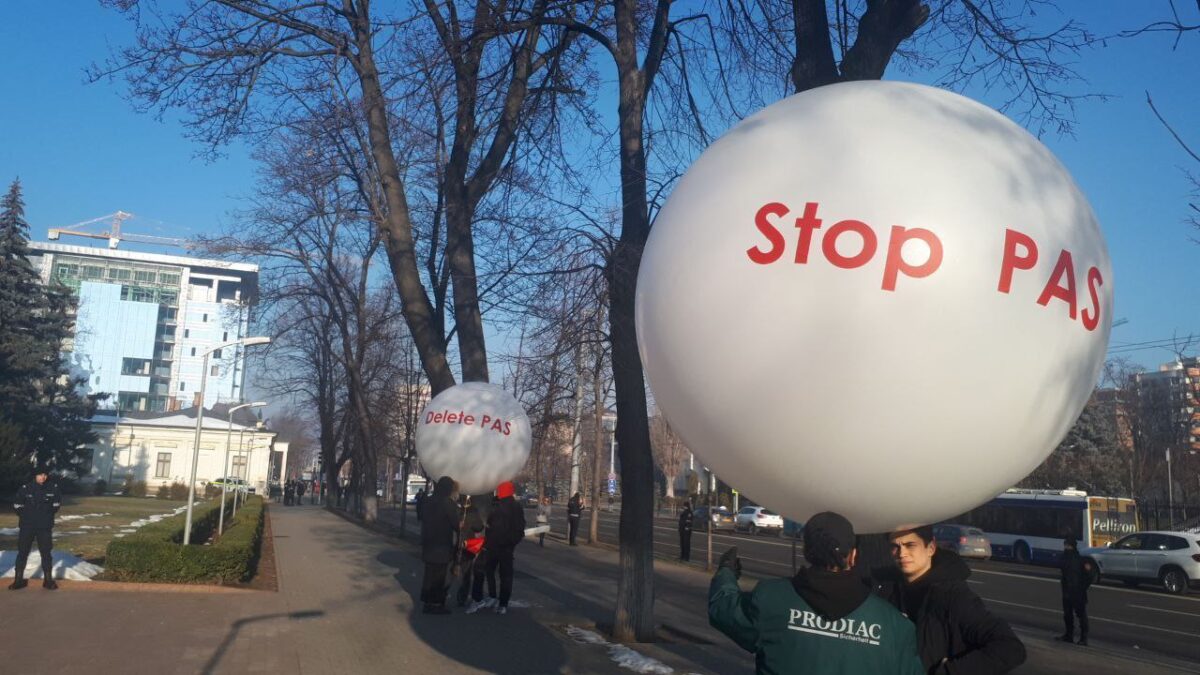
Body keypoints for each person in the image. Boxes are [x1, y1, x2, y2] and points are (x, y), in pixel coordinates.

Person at [709, 511, 924, 674]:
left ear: (806, 552)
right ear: (853, 556)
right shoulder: (893, 625)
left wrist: (726, 573)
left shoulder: (771, 598)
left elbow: (724, 611)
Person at [877, 526, 1026, 673]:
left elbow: (1010, 648)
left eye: (910, 545)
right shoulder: (884, 589)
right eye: (895, 546)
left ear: (931, 548)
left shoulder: (953, 596)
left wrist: (950, 671)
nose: (902, 553)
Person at [467, 481, 526, 615]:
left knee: (485, 570)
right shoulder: (514, 506)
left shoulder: (501, 506)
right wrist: (511, 542)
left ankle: (490, 597)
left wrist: (492, 537)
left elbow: (496, 526)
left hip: (493, 546)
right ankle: (501, 603)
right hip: (504, 547)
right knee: (504, 575)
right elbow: (520, 529)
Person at [10, 465, 62, 590]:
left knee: (46, 552)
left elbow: (56, 506)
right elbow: (17, 505)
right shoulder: (26, 488)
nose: (43, 477)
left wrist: (44, 516)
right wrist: (28, 516)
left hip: (44, 527)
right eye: (40, 474)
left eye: (45, 474)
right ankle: (18, 580)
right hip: (27, 526)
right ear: (35, 475)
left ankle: (48, 580)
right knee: (22, 552)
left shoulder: (53, 488)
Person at [420, 476, 460, 614]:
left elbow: (421, 516)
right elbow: (455, 524)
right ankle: (436, 604)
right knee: (439, 576)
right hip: (442, 544)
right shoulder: (447, 503)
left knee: (429, 575)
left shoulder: (428, 500)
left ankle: (427, 602)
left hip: (428, 543)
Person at [1059, 537, 1092, 646]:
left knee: (1075, 615)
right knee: (1075, 615)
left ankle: (1075, 636)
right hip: (1075, 591)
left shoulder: (1070, 558)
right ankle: (1078, 637)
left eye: (1066, 545)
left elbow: (1088, 576)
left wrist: (1082, 587)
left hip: (1073, 591)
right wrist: (1083, 587)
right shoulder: (1079, 559)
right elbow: (1088, 576)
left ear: (1069, 546)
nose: (1065, 547)